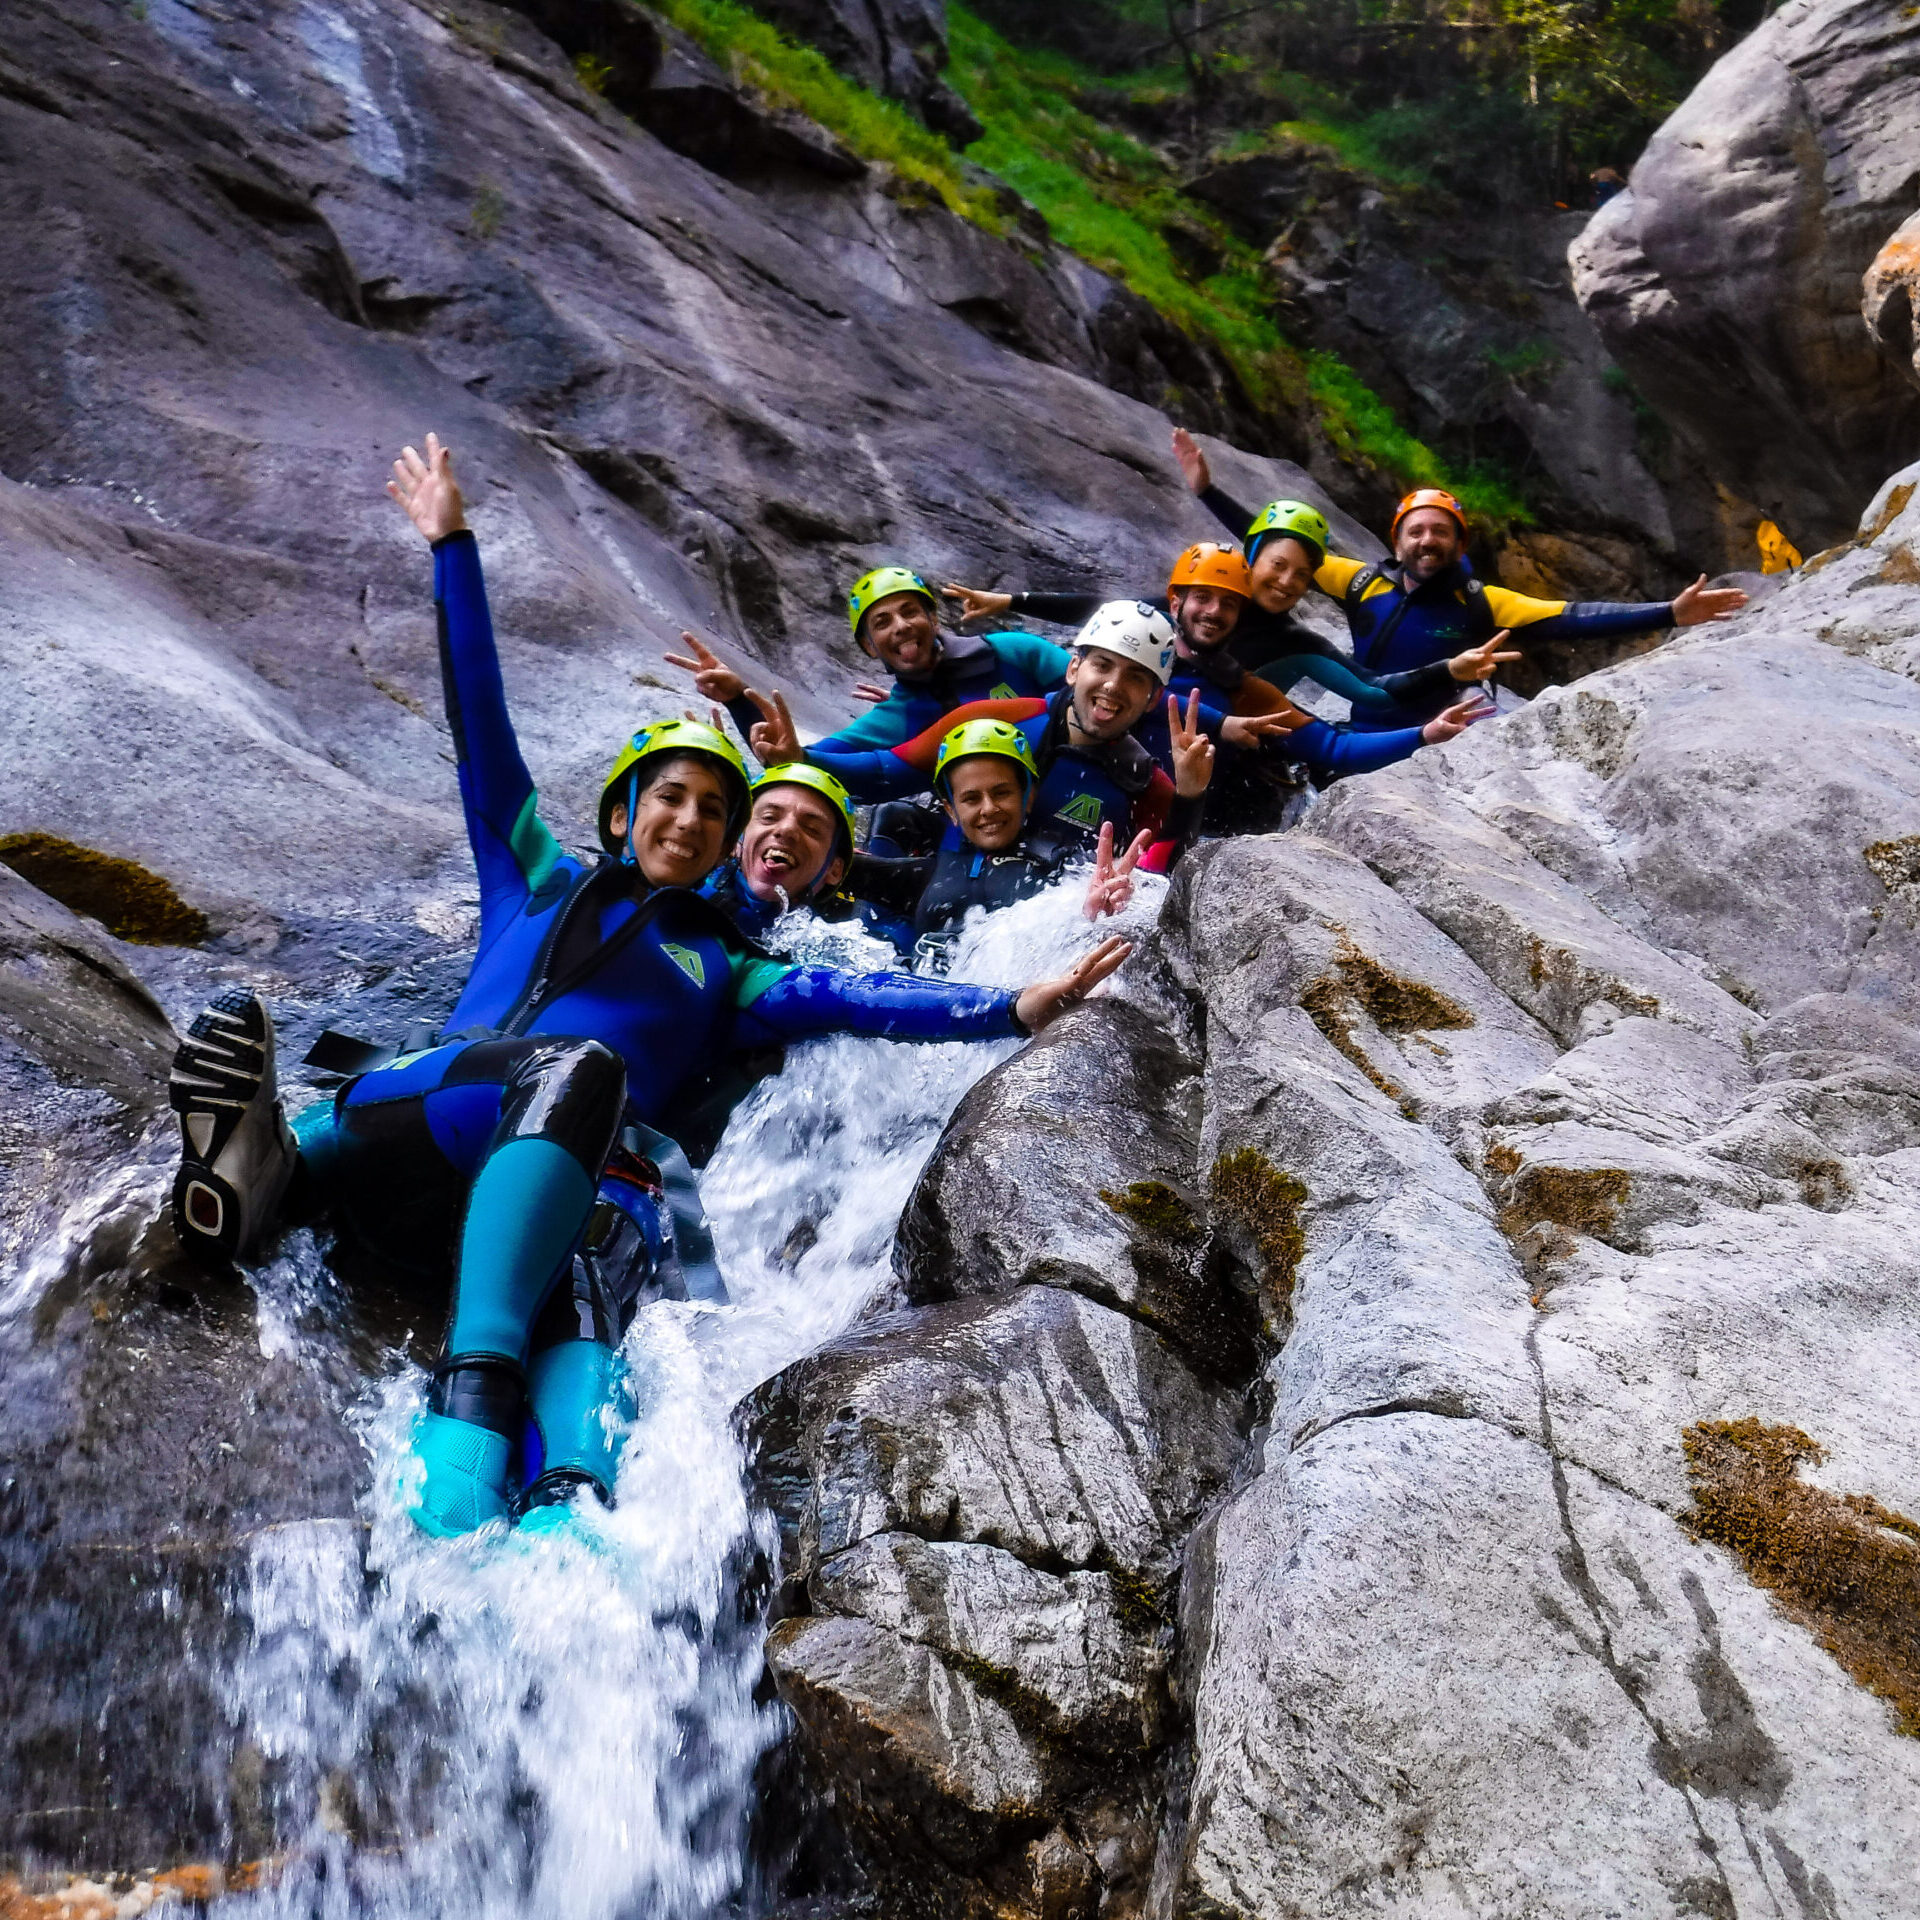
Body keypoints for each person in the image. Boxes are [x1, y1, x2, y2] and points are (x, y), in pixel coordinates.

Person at [166, 435, 1131, 1542]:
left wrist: (1016, 1005)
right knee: (568, 1077)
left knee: (594, 1277)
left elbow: (880, 1003)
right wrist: (452, 546)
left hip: (551, 1206)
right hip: (429, 1127)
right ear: (622, 812)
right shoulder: (536, 874)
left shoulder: (740, 969)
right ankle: (298, 1199)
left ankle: (550, 1524)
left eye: (713, 809)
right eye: (671, 800)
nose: (692, 820)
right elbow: (482, 726)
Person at [1173, 428, 1748, 732]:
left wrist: (1670, 613)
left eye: (1441, 532)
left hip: (1444, 728)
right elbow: (1277, 551)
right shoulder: (1358, 582)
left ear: (1458, 544)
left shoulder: (1483, 603)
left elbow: (1570, 617)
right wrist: (1207, 493)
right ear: (1396, 540)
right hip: (1369, 719)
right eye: (1416, 531)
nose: (1428, 541)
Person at [945, 540, 1509, 816]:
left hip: (1191, 827)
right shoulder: (1122, 666)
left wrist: (1422, 736)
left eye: (1228, 605)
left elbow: (1332, 744)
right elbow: (1078, 629)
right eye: (1203, 600)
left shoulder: (1247, 691)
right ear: (1175, 603)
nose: (1213, 613)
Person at [850, 720, 1158, 965]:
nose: (988, 808)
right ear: (951, 810)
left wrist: (1095, 916)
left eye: (1002, 793)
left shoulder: (1060, 864)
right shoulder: (933, 870)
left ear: (1029, 797)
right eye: (971, 798)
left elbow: (1087, 912)